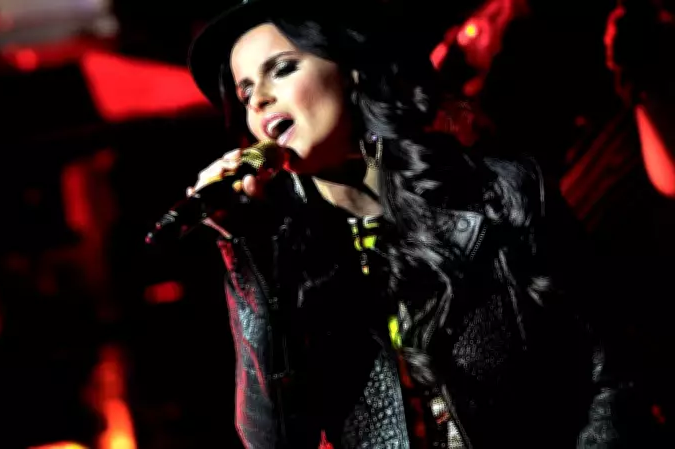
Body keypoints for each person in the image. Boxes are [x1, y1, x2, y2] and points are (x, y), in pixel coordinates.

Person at [184, 1, 625, 448]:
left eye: (282, 69)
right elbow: (272, 440)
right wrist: (248, 255)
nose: (259, 100)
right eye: (245, 94)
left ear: (350, 69)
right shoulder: (279, 256)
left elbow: (612, 372)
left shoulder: (498, 192)